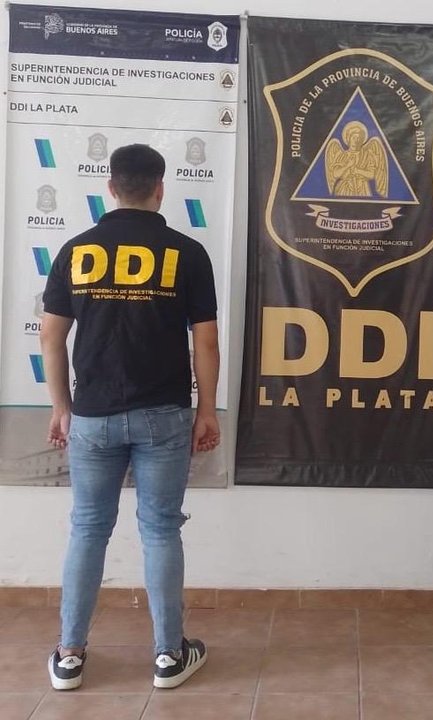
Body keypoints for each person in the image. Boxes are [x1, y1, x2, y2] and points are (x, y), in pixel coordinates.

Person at [40, 143, 220, 690]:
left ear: (111, 188)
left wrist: (61, 408)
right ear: (160, 189)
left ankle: (69, 656)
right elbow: (206, 343)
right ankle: (169, 656)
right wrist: (207, 410)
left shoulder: (76, 250)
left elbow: (51, 337)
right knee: (161, 530)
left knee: (87, 529)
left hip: (92, 415)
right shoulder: (187, 253)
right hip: (164, 414)